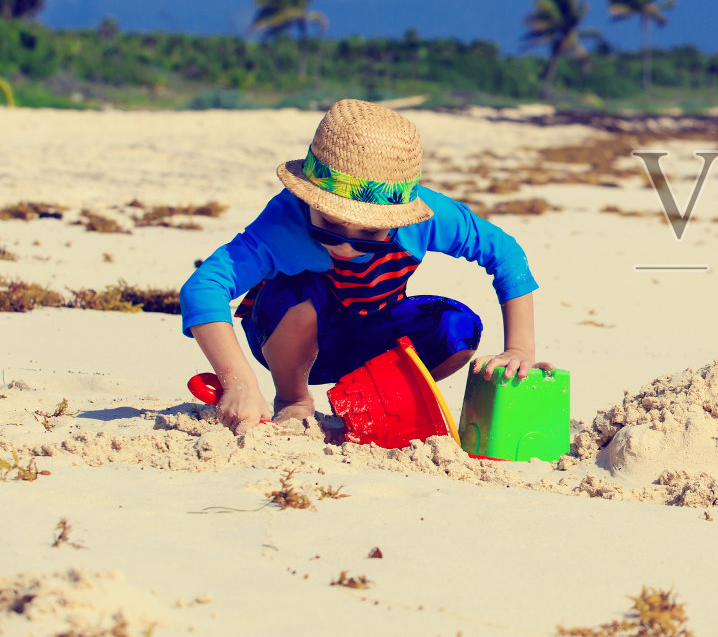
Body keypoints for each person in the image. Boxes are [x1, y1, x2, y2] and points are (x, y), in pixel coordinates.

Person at [179, 98, 549, 436]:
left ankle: (371, 397)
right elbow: (203, 287)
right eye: (329, 225)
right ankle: (293, 401)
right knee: (298, 293)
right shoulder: (283, 223)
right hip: (289, 340)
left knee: (458, 328)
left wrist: (519, 349)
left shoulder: (430, 217)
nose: (345, 244)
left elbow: (505, 253)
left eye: (369, 232)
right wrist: (240, 382)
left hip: (373, 332)